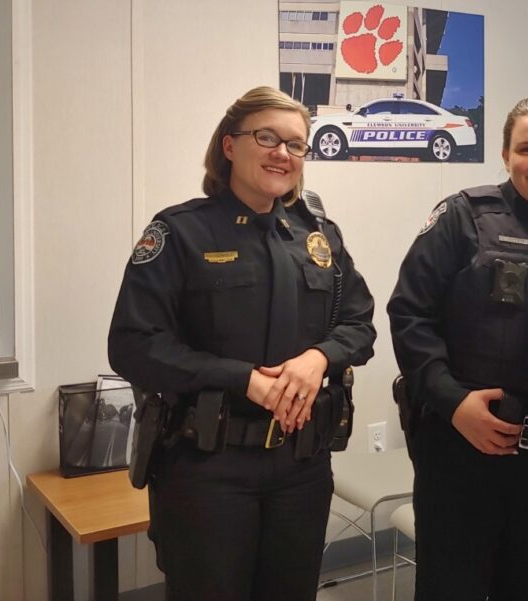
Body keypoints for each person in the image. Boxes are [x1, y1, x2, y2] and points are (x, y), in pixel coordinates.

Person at [107, 86, 375, 600]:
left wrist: (318, 359)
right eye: (267, 137)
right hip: (209, 468)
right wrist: (243, 380)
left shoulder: (318, 236)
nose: (283, 154)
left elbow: (360, 323)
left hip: (302, 467)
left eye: (297, 145)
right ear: (229, 146)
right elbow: (133, 345)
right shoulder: (180, 232)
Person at [387, 95, 528, 601]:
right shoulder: (463, 217)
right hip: (463, 447)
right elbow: (410, 314)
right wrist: (453, 402)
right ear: (505, 154)